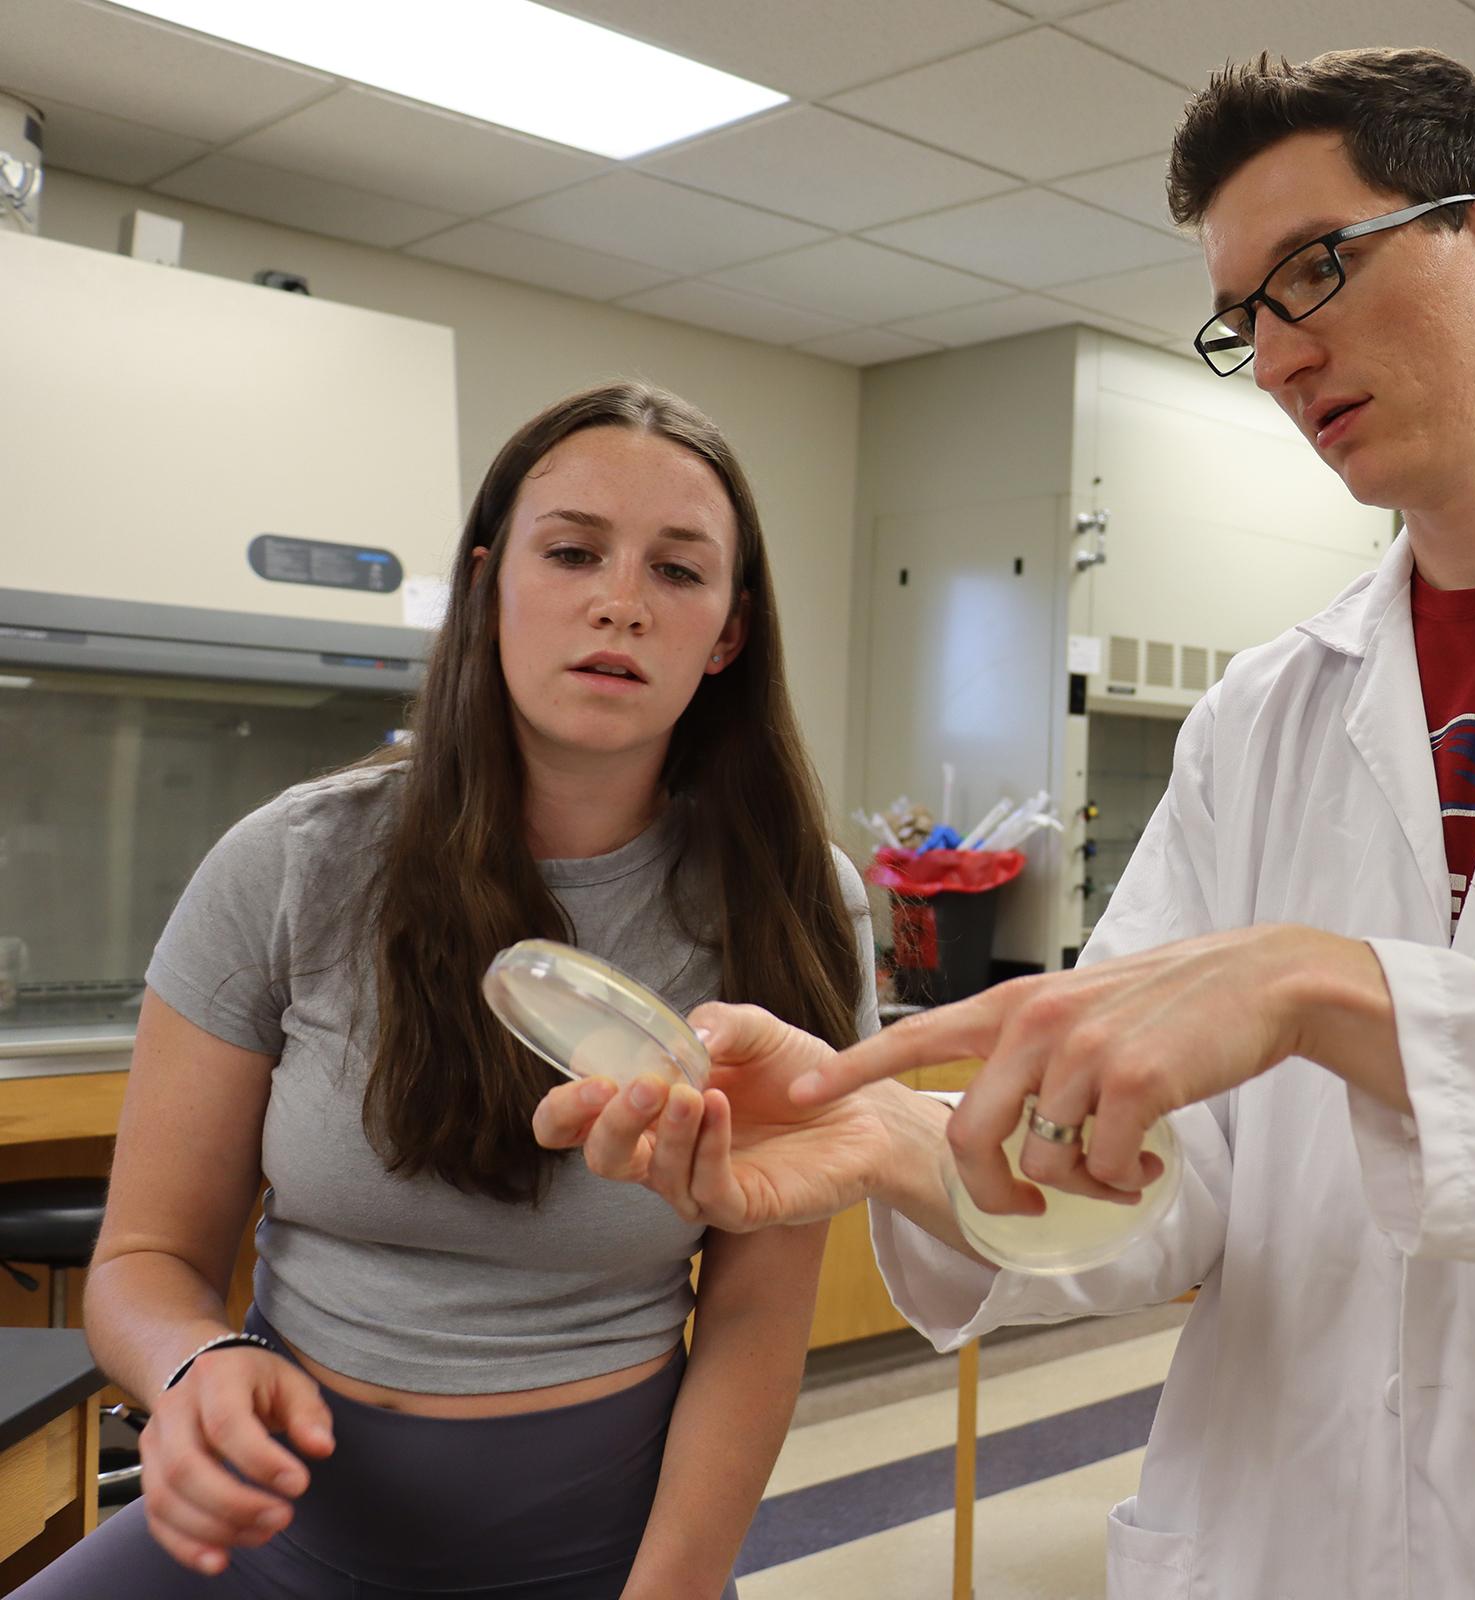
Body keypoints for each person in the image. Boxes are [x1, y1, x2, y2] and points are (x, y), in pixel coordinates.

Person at [541, 48, 1475, 1600]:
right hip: (1281, 1545)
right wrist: (893, 1140)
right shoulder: (1270, 715)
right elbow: (1165, 1203)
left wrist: (1326, 990)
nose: (1285, 358)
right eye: (1247, 317)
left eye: (1319, 272)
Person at [24, 382, 877, 1599]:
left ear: (729, 633)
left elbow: (754, 1317)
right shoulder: (292, 861)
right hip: (262, 1541)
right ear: (487, 588)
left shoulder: (796, 900)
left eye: (678, 573)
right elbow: (145, 1256)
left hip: (606, 1557)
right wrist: (193, 1363)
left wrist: (676, 1587)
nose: (620, 602)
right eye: (573, 552)